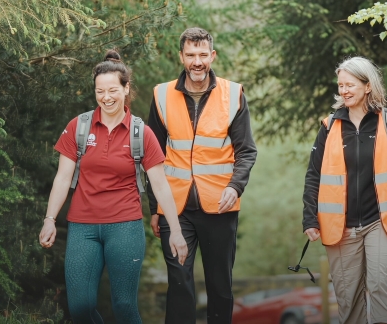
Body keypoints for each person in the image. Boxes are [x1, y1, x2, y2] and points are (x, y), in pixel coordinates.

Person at [38, 51, 188, 324]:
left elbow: (160, 184)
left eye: (112, 90)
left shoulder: (141, 133)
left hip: (125, 227)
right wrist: (50, 219)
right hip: (83, 227)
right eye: (99, 91)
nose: (106, 97)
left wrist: (175, 231)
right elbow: (62, 178)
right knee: (81, 306)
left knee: (124, 305)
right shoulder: (78, 127)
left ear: (126, 88)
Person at [302, 56, 387, 324]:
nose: (344, 91)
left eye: (350, 85)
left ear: (367, 86)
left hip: (381, 223)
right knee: (349, 301)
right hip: (339, 228)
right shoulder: (329, 127)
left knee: (382, 289)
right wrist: (309, 218)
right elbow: (313, 176)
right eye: (341, 85)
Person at [147, 27, 257, 323]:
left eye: (203, 55)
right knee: (179, 282)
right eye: (191, 55)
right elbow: (152, 158)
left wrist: (235, 187)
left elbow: (247, 151)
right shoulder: (161, 95)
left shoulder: (233, 94)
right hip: (174, 209)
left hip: (220, 206)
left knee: (220, 286)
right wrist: (154, 209)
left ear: (213, 55)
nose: (197, 61)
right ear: (181, 57)